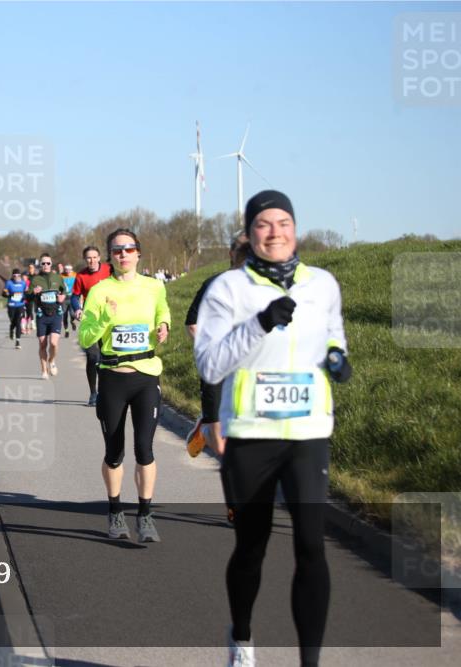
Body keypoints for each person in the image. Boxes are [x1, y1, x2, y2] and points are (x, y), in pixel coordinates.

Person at [194, 191, 351, 667]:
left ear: (296, 230)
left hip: (307, 434)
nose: (276, 231)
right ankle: (241, 637)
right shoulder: (227, 289)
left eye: (284, 222)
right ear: (250, 233)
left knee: (310, 546)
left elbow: (333, 335)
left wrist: (338, 357)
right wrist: (259, 323)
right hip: (252, 435)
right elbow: (209, 365)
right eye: (264, 224)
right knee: (252, 547)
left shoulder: (322, 284)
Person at [79, 229, 170, 543]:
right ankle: (115, 510)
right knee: (114, 452)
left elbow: (162, 310)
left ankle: (145, 515)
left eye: (129, 249)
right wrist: (104, 319)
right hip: (113, 377)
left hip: (146, 375)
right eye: (117, 250)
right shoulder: (100, 290)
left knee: (145, 449)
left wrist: (163, 325)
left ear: (138, 253)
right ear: (110, 257)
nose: (123, 255)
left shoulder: (154, 286)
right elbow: (85, 337)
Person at [185, 233, 250, 459]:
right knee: (220, 444)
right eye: (243, 249)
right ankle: (204, 428)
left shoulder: (267, 287)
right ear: (231, 253)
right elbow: (191, 324)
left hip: (250, 370)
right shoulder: (214, 284)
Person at [72, 245, 112, 406]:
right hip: (91, 320)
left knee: (108, 357)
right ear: (85, 259)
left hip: (109, 319)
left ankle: (107, 391)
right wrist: (77, 309)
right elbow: (75, 296)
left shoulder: (109, 270)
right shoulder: (81, 275)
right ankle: (93, 393)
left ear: (99, 257)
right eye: (89, 257)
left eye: (94, 257)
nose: (92, 260)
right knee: (93, 356)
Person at [29, 253, 67, 378]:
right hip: (42, 315)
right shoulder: (35, 279)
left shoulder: (57, 277)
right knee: (42, 344)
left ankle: (51, 361)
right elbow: (27, 296)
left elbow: (64, 291)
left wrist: (63, 297)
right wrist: (33, 292)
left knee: (54, 343)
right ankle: (44, 370)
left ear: (51, 264)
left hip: (56, 313)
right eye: (43, 263)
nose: (45, 265)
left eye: (48, 263)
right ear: (40, 265)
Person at [3, 268, 28, 349]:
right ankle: (11, 330)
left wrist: (24, 296)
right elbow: (4, 293)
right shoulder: (9, 283)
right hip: (11, 305)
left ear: (20, 276)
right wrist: (8, 294)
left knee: (18, 322)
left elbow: (26, 292)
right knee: (13, 321)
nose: (16, 277)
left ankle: (18, 341)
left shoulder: (23, 283)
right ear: (12, 276)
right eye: (15, 275)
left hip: (20, 305)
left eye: (18, 275)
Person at [61, 263, 77, 338]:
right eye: (66, 270)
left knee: (72, 314)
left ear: (71, 270)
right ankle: (66, 330)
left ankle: (72, 321)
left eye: (69, 270)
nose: (67, 271)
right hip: (64, 298)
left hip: (72, 297)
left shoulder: (75, 275)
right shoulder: (61, 276)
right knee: (64, 315)